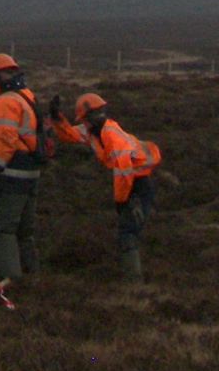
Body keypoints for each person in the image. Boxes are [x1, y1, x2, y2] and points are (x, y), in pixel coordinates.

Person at [0, 52, 58, 304]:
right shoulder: (27, 96)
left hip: (10, 177)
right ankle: (34, 282)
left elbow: (6, 141)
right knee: (24, 232)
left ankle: (14, 285)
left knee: (1, 231)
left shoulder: (4, 102)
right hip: (31, 175)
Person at [53, 91, 162, 282]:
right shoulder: (94, 132)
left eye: (83, 120)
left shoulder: (111, 135)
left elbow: (123, 173)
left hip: (136, 187)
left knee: (127, 232)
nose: (83, 124)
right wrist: (56, 118)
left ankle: (135, 285)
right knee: (128, 231)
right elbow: (69, 134)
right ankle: (133, 277)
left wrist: (122, 200)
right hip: (131, 185)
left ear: (89, 118)